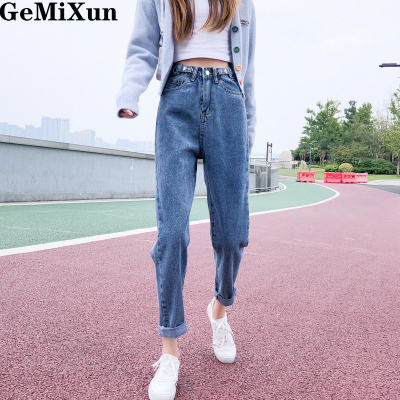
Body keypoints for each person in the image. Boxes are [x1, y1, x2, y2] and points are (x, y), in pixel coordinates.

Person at [116, 0, 256, 398]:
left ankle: (219, 308)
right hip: (177, 96)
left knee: (232, 234)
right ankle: (170, 349)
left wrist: (247, 128)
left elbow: (249, 69)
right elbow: (142, 46)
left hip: (229, 99)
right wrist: (130, 93)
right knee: (172, 233)